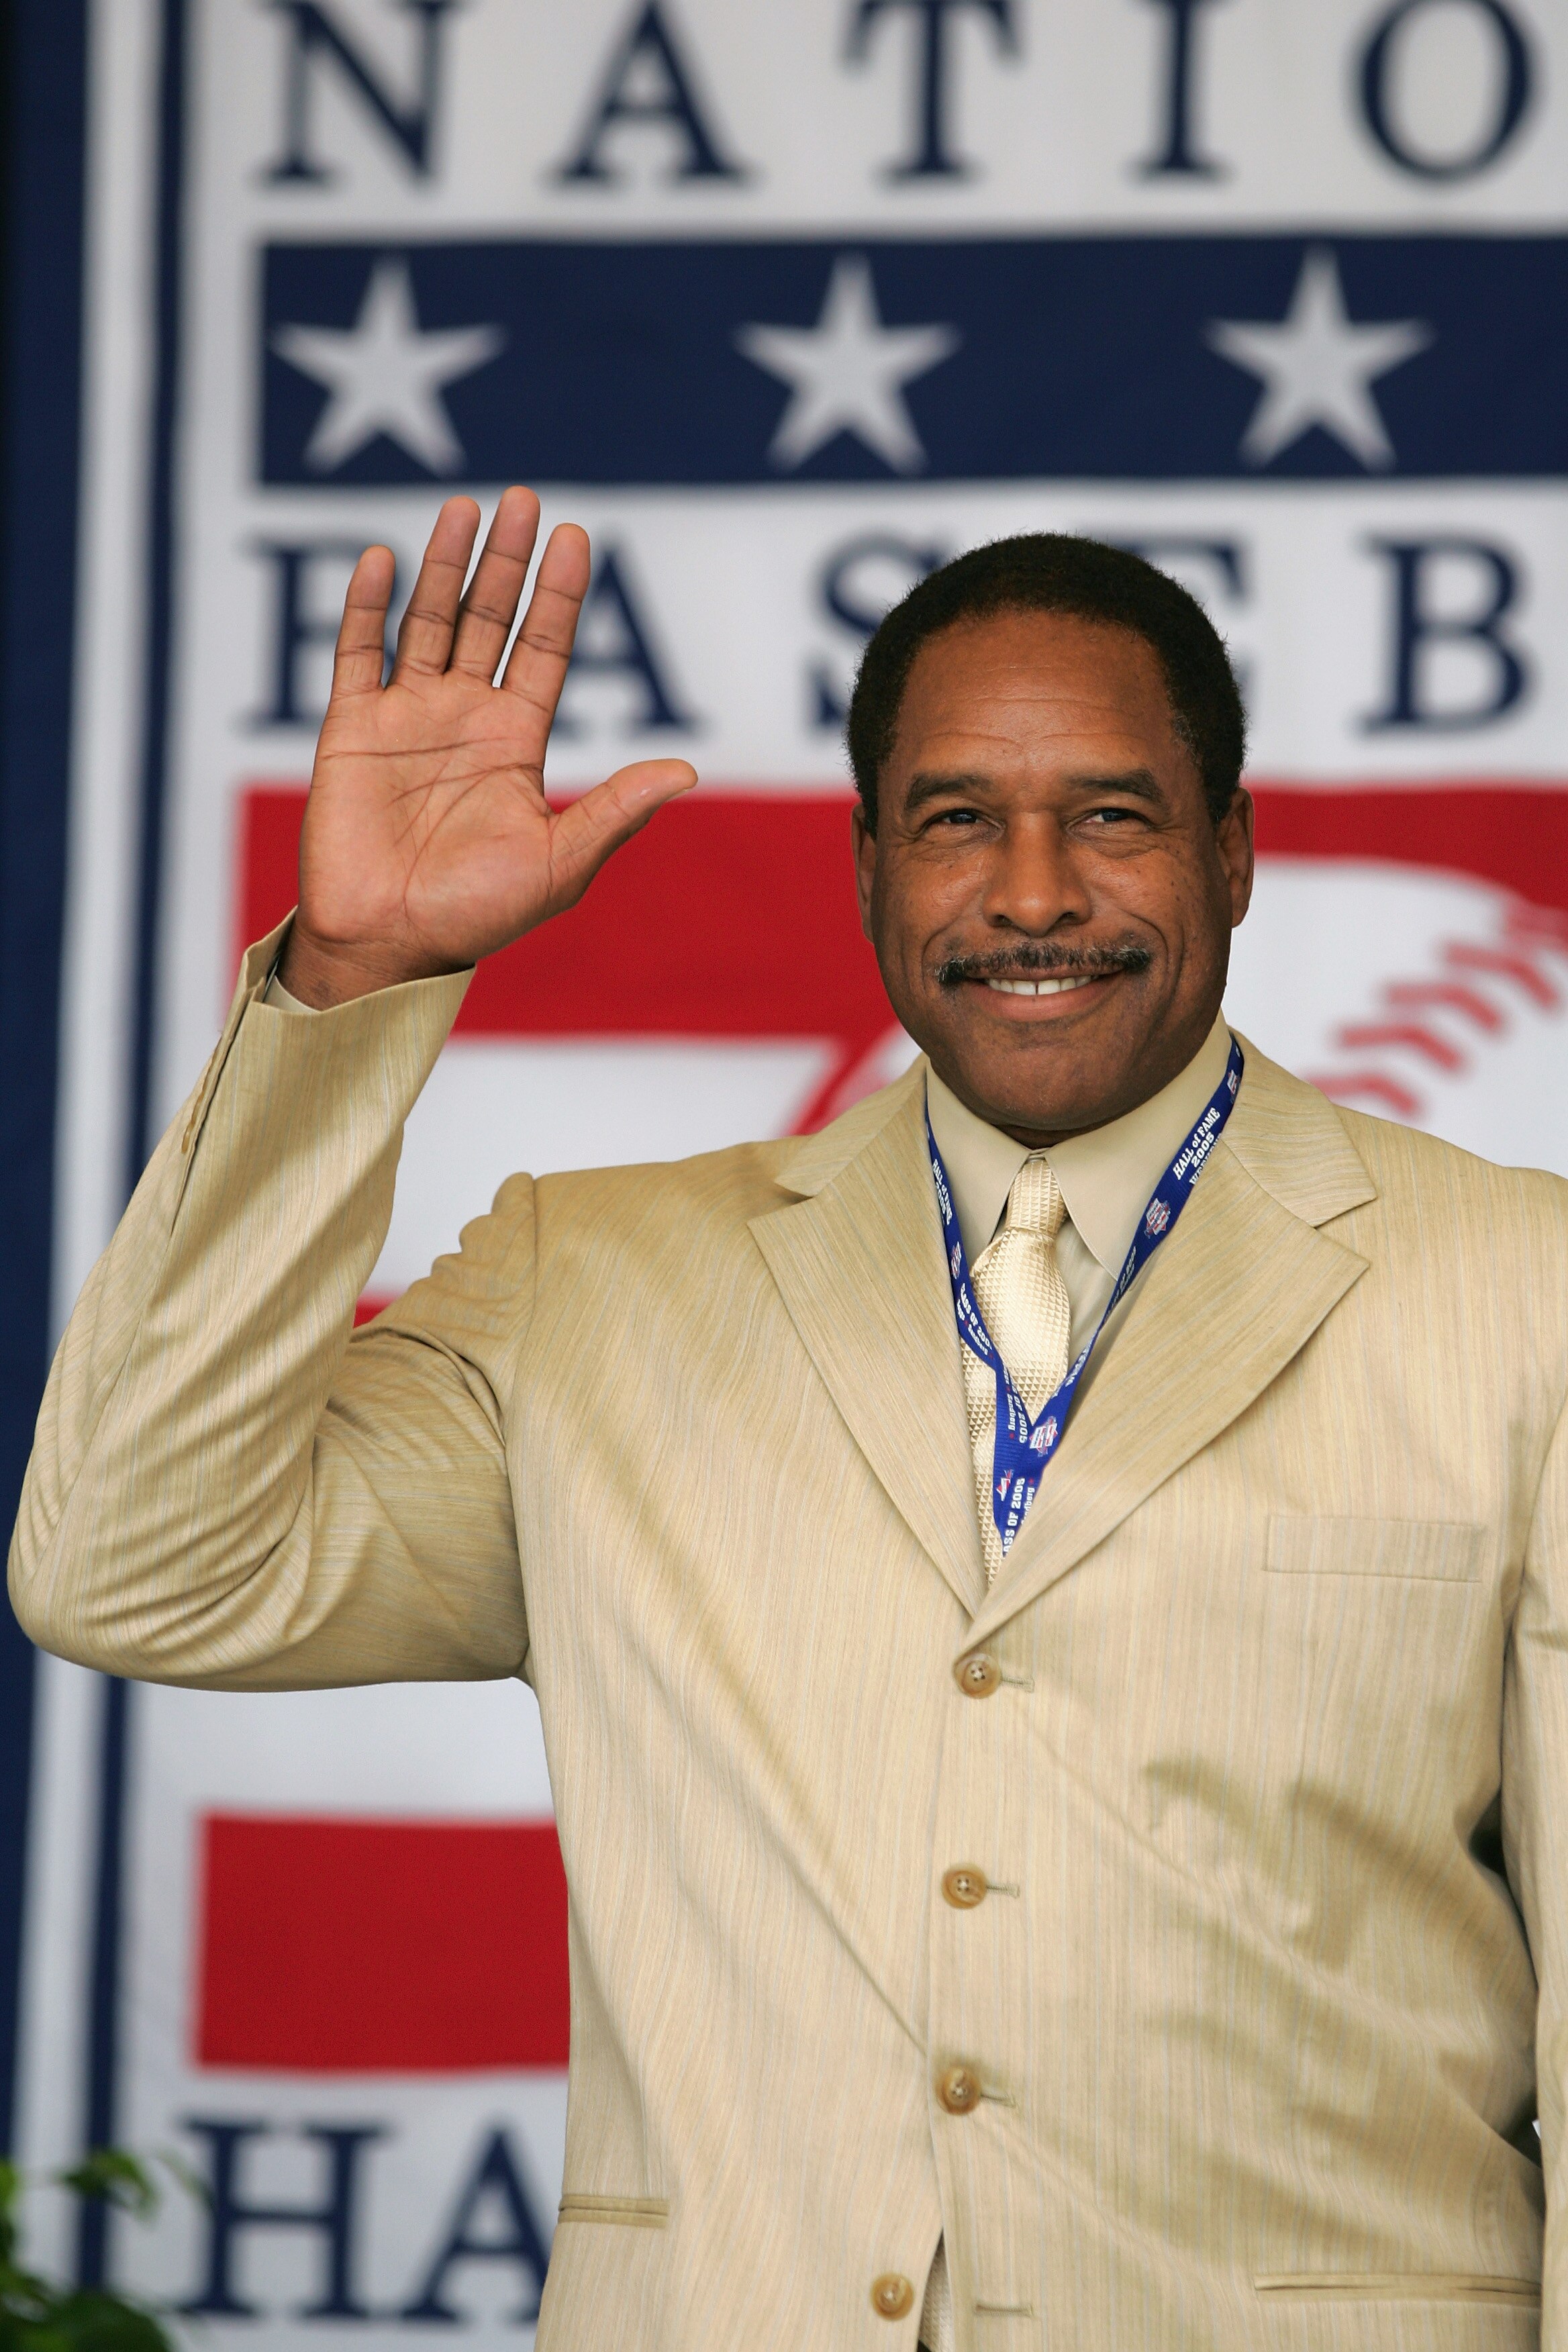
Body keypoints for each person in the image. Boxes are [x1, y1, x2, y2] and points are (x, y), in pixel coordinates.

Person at [11, 487, 1567, 2352]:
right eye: (957, 823)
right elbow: (133, 1566)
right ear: (866, 871)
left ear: (1233, 854)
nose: (1035, 892)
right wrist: (358, 982)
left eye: (1114, 817)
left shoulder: (1522, 1288)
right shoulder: (588, 1286)